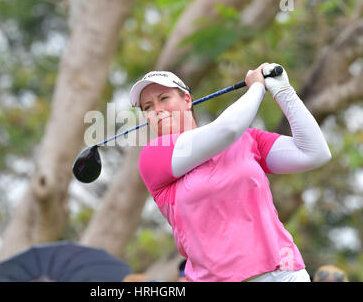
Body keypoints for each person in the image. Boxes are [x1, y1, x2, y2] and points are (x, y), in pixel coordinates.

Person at [130, 63, 332, 282]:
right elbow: (227, 129)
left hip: (284, 272)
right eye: (147, 107)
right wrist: (256, 88)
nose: (156, 109)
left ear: (187, 100)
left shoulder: (247, 139)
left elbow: (315, 153)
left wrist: (283, 91)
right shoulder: (153, 156)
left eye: (164, 98)